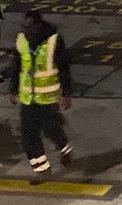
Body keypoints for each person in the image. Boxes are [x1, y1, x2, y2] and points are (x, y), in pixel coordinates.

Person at [8, 9, 74, 179]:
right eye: (23, 28)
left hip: (48, 97)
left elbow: (64, 69)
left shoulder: (54, 41)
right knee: (28, 135)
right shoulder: (21, 40)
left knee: (52, 130)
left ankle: (65, 149)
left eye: (29, 28)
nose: (25, 31)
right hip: (28, 98)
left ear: (38, 26)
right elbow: (17, 66)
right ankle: (42, 169)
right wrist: (13, 89)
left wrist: (66, 94)